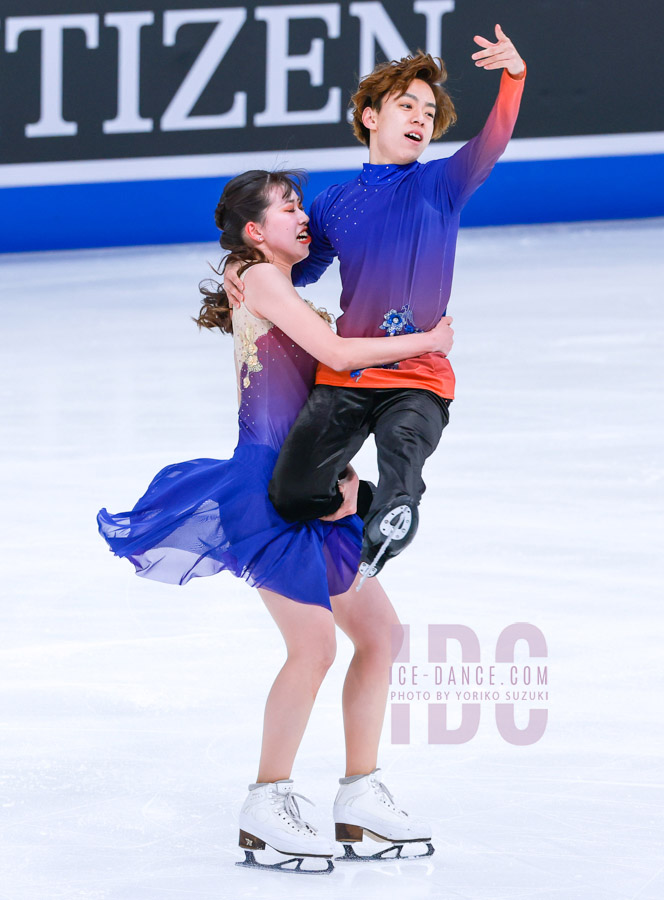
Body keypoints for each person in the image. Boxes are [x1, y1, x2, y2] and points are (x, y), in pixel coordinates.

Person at [97, 169, 453, 871]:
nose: (302, 215)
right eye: (288, 207)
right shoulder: (256, 276)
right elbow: (340, 356)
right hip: (264, 490)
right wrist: (426, 340)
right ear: (256, 231)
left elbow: (325, 406)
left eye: (300, 204)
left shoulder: (279, 287)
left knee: (379, 634)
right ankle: (266, 804)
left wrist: (345, 475)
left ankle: (360, 796)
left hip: (310, 483)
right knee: (314, 647)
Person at [226, 25, 526, 580]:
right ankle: (364, 504)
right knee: (292, 493)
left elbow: (493, 140)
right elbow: (294, 273)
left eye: (429, 112)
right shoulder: (334, 205)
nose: (420, 118)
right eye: (406, 105)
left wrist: (514, 76)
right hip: (349, 375)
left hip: (418, 374)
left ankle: (393, 515)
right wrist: (241, 268)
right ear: (370, 117)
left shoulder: (442, 184)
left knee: (402, 446)